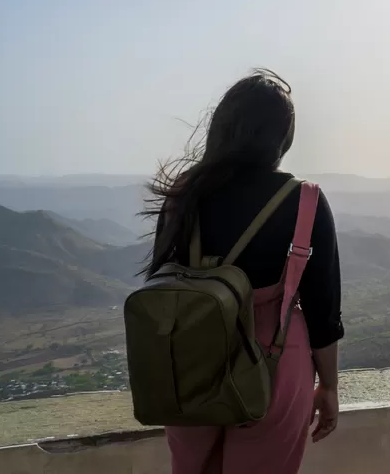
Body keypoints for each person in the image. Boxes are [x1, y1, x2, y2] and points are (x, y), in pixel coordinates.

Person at [141, 69, 343, 474]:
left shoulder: (183, 196)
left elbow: (162, 281)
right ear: (282, 137)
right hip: (273, 359)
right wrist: (330, 387)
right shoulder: (304, 201)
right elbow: (323, 313)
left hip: (189, 361)